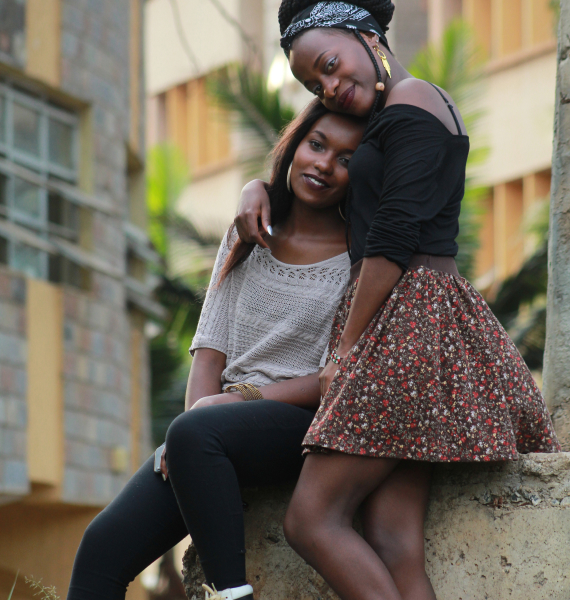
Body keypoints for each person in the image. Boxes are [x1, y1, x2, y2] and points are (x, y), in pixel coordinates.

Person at [234, 2, 561, 599]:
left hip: (402, 324)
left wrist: (349, 350)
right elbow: (329, 181)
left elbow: (392, 237)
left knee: (311, 520)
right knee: (392, 539)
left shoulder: (414, 101)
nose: (329, 87)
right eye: (314, 85)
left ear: (366, 35)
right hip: (411, 322)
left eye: (329, 64)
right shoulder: (395, 109)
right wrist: (258, 185)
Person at [66, 100, 367, 600]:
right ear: (295, 145)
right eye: (316, 145)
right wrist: (191, 428)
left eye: (346, 160)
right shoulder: (246, 234)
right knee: (101, 550)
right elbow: (209, 352)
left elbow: (331, 378)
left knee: (196, 431)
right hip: (213, 427)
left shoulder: (360, 259)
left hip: (299, 421)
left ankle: (230, 595)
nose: (324, 165)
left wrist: (229, 405)